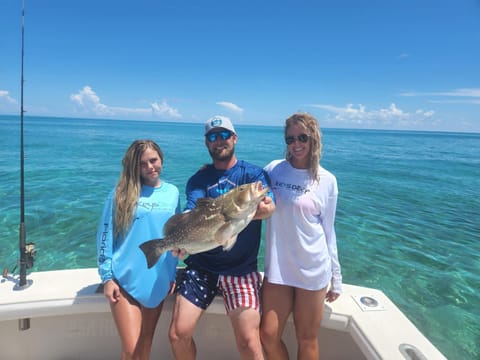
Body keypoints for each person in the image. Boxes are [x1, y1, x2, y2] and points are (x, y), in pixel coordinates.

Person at [169, 115, 275, 360]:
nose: (219, 141)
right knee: (177, 333)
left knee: (249, 341)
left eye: (224, 135)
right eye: (213, 137)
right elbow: (191, 210)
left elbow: (269, 206)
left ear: (234, 138)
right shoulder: (198, 179)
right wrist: (181, 241)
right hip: (201, 268)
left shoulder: (252, 174)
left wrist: (266, 210)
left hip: (240, 270)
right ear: (207, 144)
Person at [260, 113, 343, 360]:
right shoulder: (274, 170)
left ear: (314, 138)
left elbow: (329, 230)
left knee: (306, 339)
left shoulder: (327, 180)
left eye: (302, 137)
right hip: (278, 268)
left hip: (312, 269)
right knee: (267, 334)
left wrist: (336, 276)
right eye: (290, 139)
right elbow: (243, 184)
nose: (296, 144)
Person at [97, 139, 180, 360]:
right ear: (135, 166)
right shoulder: (121, 193)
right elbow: (105, 235)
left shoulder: (173, 193)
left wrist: (172, 273)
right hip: (123, 278)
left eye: (153, 160)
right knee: (131, 348)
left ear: (161, 158)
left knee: (145, 344)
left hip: (157, 279)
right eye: (143, 164)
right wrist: (107, 278)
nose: (150, 167)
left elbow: (174, 237)